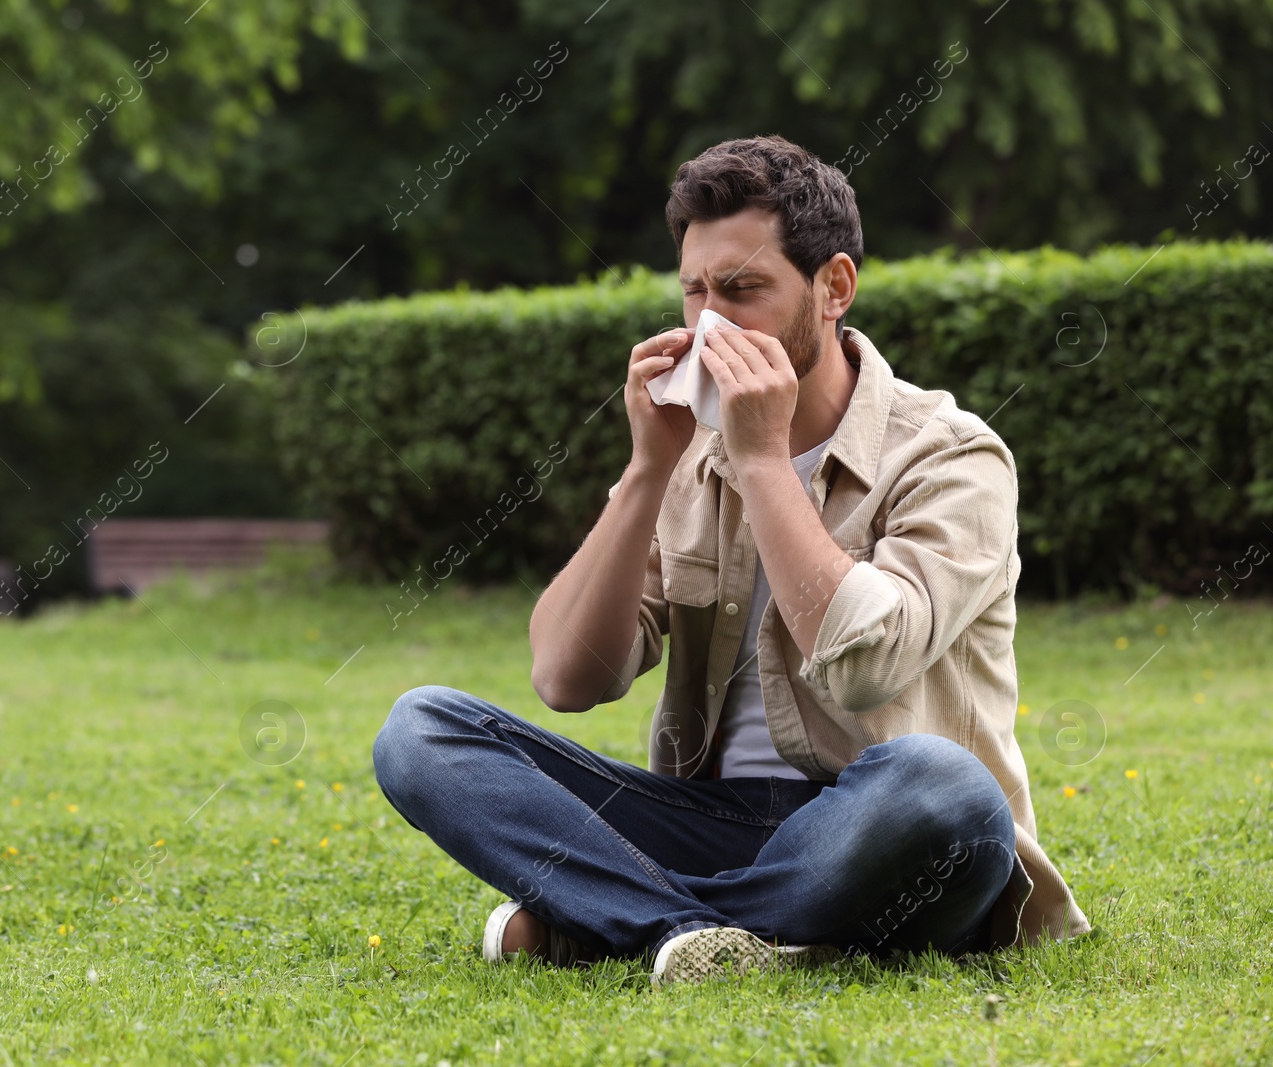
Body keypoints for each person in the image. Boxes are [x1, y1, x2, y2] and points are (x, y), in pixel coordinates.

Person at [371, 134, 1089, 986]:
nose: (711, 322)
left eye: (743, 290)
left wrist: (761, 460)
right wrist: (646, 470)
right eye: (695, 292)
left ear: (834, 287)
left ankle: (614, 919)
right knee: (423, 729)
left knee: (944, 784)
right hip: (711, 816)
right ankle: (699, 930)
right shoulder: (686, 457)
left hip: (887, 821)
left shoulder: (953, 457)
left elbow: (863, 669)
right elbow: (568, 677)